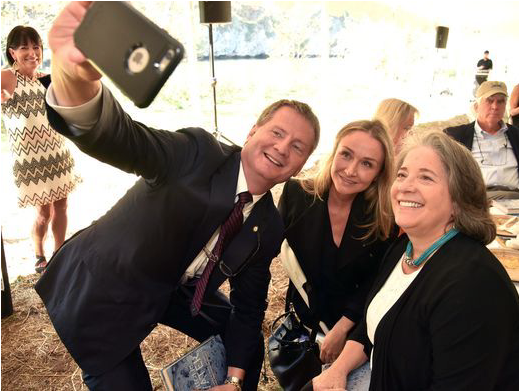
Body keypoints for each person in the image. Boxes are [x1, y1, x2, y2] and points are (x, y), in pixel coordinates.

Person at [34, 2, 320, 391]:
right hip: (104, 286)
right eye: (277, 132)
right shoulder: (198, 153)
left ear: (302, 164)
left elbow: (250, 305)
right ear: (253, 131)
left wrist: (235, 379)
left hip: (175, 287)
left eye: (298, 146)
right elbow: (125, 140)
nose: (283, 148)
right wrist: (72, 78)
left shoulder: (268, 224)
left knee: (243, 338)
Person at [310, 131, 519, 390]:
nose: (405, 186)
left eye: (426, 177)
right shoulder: (405, 248)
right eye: (402, 174)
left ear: (458, 200)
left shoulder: (473, 284)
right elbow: (372, 324)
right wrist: (337, 370)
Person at [278, 120, 395, 372]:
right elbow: (263, 250)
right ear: (334, 152)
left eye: (367, 164)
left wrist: (343, 329)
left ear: (379, 173)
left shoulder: (385, 216)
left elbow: (378, 281)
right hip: (306, 330)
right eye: (346, 155)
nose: (351, 170)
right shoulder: (296, 194)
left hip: (358, 332)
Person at [1, 26, 79, 273]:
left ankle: (59, 252)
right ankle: (39, 254)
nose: (32, 52)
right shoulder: (7, 77)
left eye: (36, 46)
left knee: (62, 206)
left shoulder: (48, 78)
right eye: (24, 47)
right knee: (43, 212)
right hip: (29, 160)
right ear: (13, 52)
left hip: (58, 153)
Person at [445, 81, 519, 200]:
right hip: (476, 200)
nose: (495, 107)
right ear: (476, 106)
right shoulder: (456, 136)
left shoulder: (516, 135)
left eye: (500, 101)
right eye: (489, 100)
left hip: (515, 198)